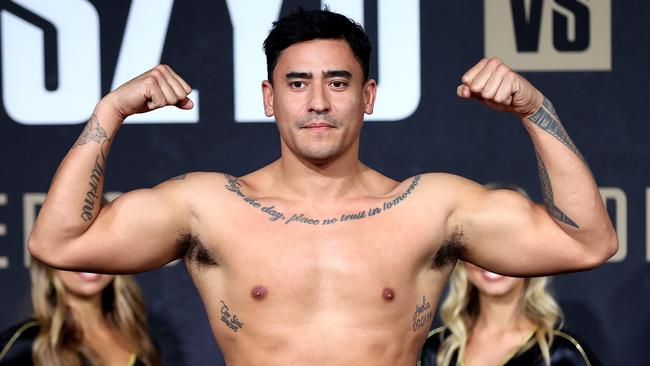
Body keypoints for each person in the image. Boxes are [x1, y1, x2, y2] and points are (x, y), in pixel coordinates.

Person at [27, 8, 617, 365]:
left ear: (368, 97)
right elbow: (59, 244)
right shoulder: (209, 206)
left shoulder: (429, 207)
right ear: (269, 97)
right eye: (297, 83)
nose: (316, 102)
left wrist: (536, 110)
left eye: (338, 83)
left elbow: (587, 243)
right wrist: (109, 113)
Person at [420, 185, 599, 366]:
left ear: (533, 257)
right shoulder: (435, 349)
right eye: (481, 243)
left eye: (507, 242)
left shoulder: (562, 354)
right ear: (462, 259)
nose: (494, 260)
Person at [0, 259, 159, 366]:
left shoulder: (141, 340)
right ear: (49, 256)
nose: (88, 260)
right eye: (75, 246)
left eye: (99, 245)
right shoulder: (25, 344)